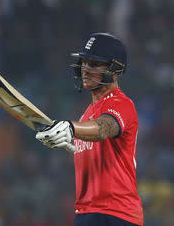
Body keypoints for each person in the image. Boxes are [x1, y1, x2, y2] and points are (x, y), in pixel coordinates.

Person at [35, 33, 143, 226]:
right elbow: (97, 150)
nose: (85, 70)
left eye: (93, 65)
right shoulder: (86, 115)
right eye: (84, 63)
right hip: (87, 212)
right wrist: (70, 144)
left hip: (117, 214)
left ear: (115, 69)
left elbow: (103, 128)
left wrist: (70, 127)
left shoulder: (121, 103)